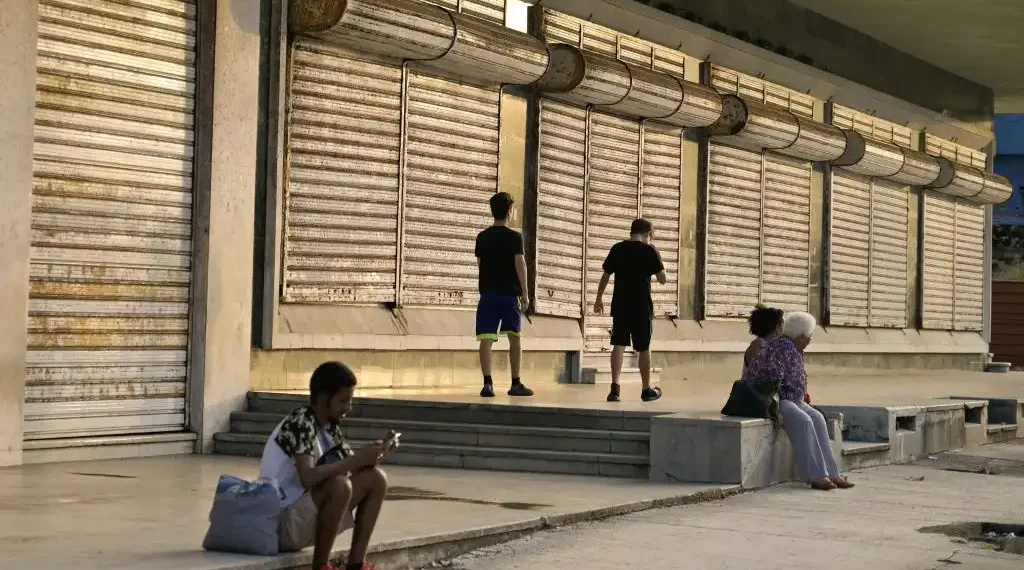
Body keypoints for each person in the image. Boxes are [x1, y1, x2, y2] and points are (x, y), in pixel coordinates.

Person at [259, 362, 391, 570]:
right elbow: (308, 477)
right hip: (280, 523)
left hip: (304, 518)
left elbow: (350, 468)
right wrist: (356, 460)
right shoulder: (301, 420)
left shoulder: (330, 428)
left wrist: (372, 455)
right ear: (323, 398)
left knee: (375, 478)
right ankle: (320, 567)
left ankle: (356, 564)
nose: (348, 407)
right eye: (343, 400)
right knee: (339, 486)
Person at [742, 312, 854, 491]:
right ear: (802, 337)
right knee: (804, 421)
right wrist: (783, 403)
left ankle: (833, 473)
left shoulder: (794, 347)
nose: (810, 340)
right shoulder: (782, 348)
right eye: (809, 336)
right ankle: (817, 476)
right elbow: (773, 381)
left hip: (792, 398)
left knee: (817, 417)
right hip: (774, 399)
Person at [593, 218, 666, 403]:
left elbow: (606, 275)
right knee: (643, 348)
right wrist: (656, 255)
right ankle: (646, 389)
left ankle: (615, 390)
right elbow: (662, 278)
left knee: (618, 344)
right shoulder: (650, 250)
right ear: (648, 234)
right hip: (642, 307)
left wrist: (599, 298)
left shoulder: (618, 248)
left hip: (621, 305)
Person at [475, 192, 533, 398]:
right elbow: (520, 265)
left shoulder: (482, 237)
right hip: (509, 295)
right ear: (509, 211)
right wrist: (525, 294)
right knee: (514, 338)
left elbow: (481, 265)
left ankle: (487, 383)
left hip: (488, 294)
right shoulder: (515, 238)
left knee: (486, 338)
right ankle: (515, 383)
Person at [744, 305, 784, 373]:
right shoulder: (759, 344)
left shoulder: (765, 344)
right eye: (782, 325)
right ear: (777, 327)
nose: (783, 330)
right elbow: (764, 373)